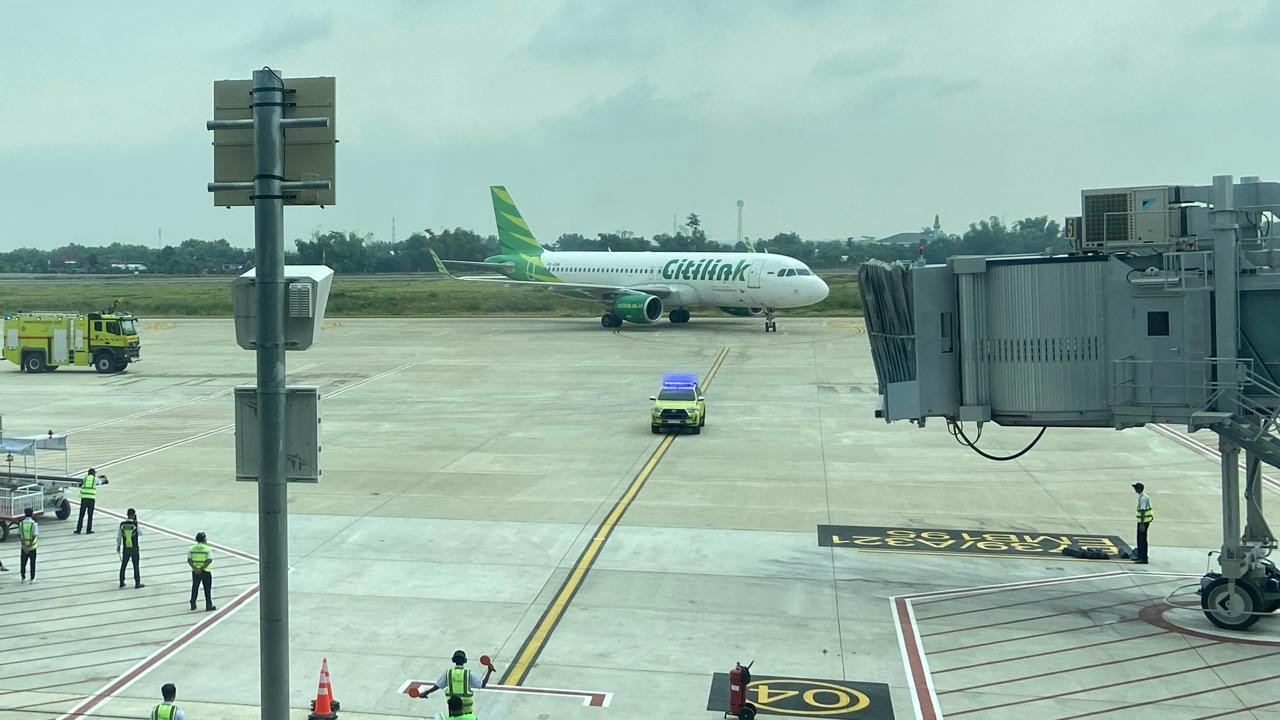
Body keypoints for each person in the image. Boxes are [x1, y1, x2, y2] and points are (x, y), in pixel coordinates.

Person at [423, 650, 492, 716]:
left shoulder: (448, 673)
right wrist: (489, 671)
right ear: (465, 660)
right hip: (467, 710)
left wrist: (426, 692)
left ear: (453, 660)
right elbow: (482, 684)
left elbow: (437, 686)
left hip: (453, 710)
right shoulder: (468, 674)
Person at [74, 467, 108, 534]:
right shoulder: (95, 479)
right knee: (90, 515)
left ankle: (78, 530)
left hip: (83, 499)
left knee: (81, 515)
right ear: (93, 473)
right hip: (91, 499)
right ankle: (88, 530)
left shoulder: (85, 478)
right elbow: (102, 482)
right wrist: (105, 478)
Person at [117, 508, 144, 588]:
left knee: (123, 565)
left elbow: (119, 537)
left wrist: (118, 545)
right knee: (136, 566)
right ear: (133, 515)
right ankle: (137, 582)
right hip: (134, 547)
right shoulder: (135, 524)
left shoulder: (122, 524)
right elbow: (141, 533)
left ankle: (121, 582)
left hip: (126, 548)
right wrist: (136, 521)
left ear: (127, 515)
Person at [187, 532, 214, 611]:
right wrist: (201, 568)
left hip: (195, 572)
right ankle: (208, 605)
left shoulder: (191, 548)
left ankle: (193, 603)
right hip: (205, 571)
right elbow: (209, 560)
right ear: (205, 539)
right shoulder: (207, 548)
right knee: (207, 589)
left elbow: (189, 560)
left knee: (195, 587)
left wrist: (195, 568)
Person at [1133, 482, 1153, 564]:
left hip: (1143, 522)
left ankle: (1143, 558)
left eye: (1135, 488)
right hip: (1144, 521)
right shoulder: (1143, 496)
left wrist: (1141, 524)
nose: (1134, 489)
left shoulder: (1143, 498)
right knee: (1140, 539)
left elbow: (1143, 510)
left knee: (1142, 540)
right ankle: (1140, 556)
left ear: (1139, 489)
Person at [19, 507, 38, 583]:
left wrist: (25, 545)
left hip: (23, 547)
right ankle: (32, 578)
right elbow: (34, 535)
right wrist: (29, 546)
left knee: (23, 562)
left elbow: (19, 535)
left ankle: (23, 577)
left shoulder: (21, 523)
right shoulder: (34, 524)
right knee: (32, 563)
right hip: (32, 547)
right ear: (32, 514)